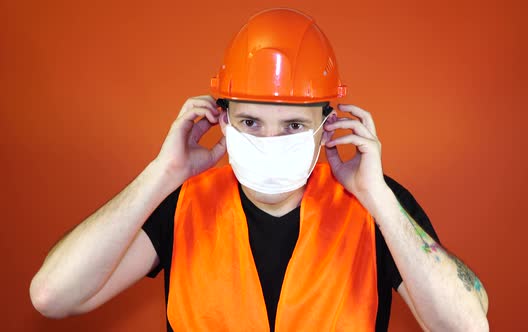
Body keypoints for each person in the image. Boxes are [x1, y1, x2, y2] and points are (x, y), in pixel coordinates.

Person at [30, 8, 489, 332]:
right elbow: (53, 296)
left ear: (327, 126)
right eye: (251, 122)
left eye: (292, 124)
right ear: (222, 120)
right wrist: (163, 173)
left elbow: (467, 326)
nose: (269, 142)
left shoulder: (376, 205)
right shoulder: (183, 200)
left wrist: (383, 204)